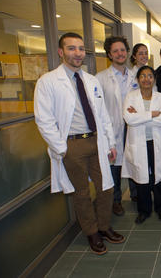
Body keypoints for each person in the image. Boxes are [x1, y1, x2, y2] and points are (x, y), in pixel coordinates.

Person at [34, 32, 124, 255]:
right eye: (72, 48)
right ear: (61, 52)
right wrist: (62, 148)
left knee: (107, 186)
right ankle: (92, 232)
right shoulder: (47, 81)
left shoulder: (91, 80)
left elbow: (102, 115)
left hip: (97, 141)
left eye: (81, 48)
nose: (77, 53)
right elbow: (44, 119)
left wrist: (111, 142)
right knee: (81, 192)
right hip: (72, 145)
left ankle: (104, 226)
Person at [122, 66, 161, 224]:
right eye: (143, 76)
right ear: (138, 79)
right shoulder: (131, 97)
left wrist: (139, 116)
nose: (146, 79)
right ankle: (144, 210)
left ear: (154, 79)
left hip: (156, 143)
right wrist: (151, 114)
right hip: (139, 144)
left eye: (150, 76)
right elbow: (129, 119)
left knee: (159, 177)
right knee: (141, 178)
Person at [96, 36, 137, 216]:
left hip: (134, 127)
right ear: (109, 55)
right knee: (114, 167)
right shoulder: (101, 78)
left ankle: (137, 195)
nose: (120, 54)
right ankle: (116, 201)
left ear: (127, 52)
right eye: (115, 51)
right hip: (113, 128)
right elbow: (98, 107)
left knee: (135, 161)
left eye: (122, 50)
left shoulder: (136, 76)